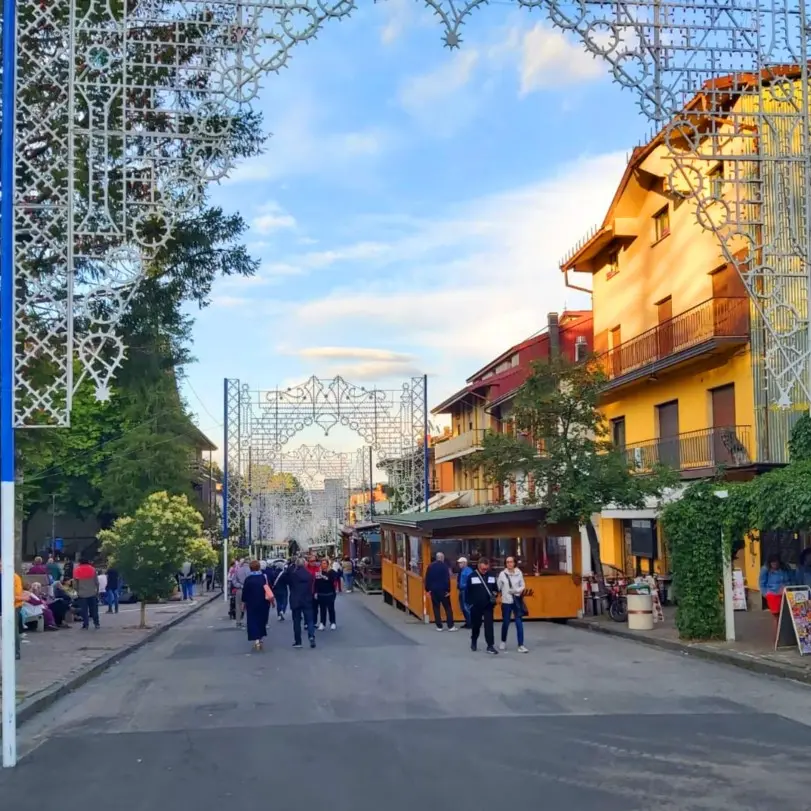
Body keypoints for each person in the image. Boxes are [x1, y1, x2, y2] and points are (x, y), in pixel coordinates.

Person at [283, 557, 317, 649]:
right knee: (310, 620)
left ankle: (298, 641)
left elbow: (285, 580)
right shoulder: (309, 575)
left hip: (295, 599)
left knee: (297, 621)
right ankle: (311, 636)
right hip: (307, 598)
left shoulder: (292, 575)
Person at [467, 558, 498, 654]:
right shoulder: (472, 576)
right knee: (476, 625)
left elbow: (495, 588)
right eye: (483, 569)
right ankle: (474, 640)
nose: (484, 571)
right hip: (476, 606)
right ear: (478, 567)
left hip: (488, 605)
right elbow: (467, 591)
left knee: (489, 626)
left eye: (486, 569)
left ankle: (490, 645)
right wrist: (470, 604)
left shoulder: (492, 575)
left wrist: (495, 594)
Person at [497, 556, 528, 653]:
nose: (509, 564)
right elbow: (498, 586)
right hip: (506, 601)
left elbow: (523, 585)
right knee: (506, 622)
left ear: (514, 563)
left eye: (511, 562)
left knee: (519, 622)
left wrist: (515, 591)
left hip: (516, 600)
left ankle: (521, 645)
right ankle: (503, 641)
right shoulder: (502, 574)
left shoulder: (519, 573)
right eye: (507, 562)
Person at [241, 560, 272, 652]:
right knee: (261, 620)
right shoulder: (263, 578)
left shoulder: (248, 579)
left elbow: (245, 593)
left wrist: (243, 603)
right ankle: (260, 638)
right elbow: (268, 589)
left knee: (252, 621)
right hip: (263, 603)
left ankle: (256, 640)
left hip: (251, 604)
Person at [759, 552, 794, 624]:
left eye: (776, 562)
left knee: (788, 614)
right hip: (773, 594)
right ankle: (777, 633)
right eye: (773, 563)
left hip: (786, 593)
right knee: (777, 616)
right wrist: (766, 594)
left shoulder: (785, 568)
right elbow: (762, 583)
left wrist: (788, 586)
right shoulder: (765, 569)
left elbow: (792, 579)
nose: (775, 564)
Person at [0, 561, 25, 659]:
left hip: (14, 606)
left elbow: (17, 595)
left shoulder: (14, 577)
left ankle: (15, 652)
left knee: (12, 629)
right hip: (6, 605)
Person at [424, 552, 455, 631]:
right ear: (442, 558)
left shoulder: (430, 566)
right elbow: (447, 579)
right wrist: (448, 590)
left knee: (436, 608)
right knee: (448, 608)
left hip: (434, 590)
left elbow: (427, 578)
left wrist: (427, 589)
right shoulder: (445, 566)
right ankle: (450, 626)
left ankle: (439, 626)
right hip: (443, 590)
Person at [73, 557, 100, 629]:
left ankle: (86, 624)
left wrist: (76, 591)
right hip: (92, 592)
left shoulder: (77, 570)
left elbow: (75, 583)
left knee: (84, 610)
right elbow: (97, 582)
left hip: (82, 593)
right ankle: (96, 623)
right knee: (94, 609)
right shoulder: (92, 569)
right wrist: (97, 591)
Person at [315, 558, 340, 630]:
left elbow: (335, 578)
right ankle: (322, 623)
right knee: (322, 609)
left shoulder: (331, 572)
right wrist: (316, 592)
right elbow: (316, 583)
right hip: (321, 593)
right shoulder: (318, 572)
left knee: (331, 609)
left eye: (325, 563)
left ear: (327, 564)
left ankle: (333, 622)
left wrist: (327, 577)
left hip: (330, 593)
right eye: (322, 563)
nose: (323, 565)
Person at [232, 558, 250, 627]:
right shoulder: (251, 570)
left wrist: (240, 585)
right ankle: (248, 620)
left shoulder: (238, 570)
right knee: (249, 606)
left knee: (238, 606)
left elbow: (234, 581)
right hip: (249, 590)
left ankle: (238, 621)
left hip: (240, 589)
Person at [457, 556, 473, 628]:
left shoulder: (468, 571)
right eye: (459, 563)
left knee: (466, 607)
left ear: (465, 563)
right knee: (463, 607)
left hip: (465, 590)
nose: (459, 564)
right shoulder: (462, 570)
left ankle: (470, 623)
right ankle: (467, 622)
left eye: (460, 563)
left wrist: (464, 586)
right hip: (461, 590)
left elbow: (471, 581)